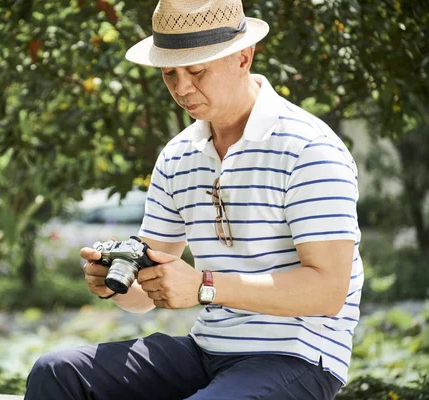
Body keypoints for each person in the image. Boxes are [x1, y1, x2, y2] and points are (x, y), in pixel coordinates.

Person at [25, 0, 363, 398]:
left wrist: (204, 286)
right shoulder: (177, 155)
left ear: (243, 56)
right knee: (57, 372)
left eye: (197, 70)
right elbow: (142, 299)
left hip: (298, 357)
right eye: (170, 73)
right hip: (208, 349)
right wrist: (114, 284)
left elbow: (328, 292)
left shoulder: (309, 148)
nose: (182, 88)